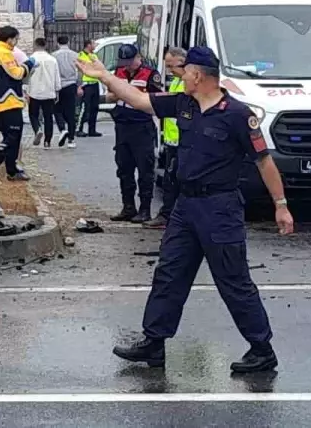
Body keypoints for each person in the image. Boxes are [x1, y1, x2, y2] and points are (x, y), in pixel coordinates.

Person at [77, 46, 294, 374]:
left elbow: (264, 161)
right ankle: (154, 342)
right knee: (169, 273)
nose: (181, 75)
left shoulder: (236, 114)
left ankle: (262, 348)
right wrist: (105, 76)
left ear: (199, 75)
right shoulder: (184, 103)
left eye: (185, 70)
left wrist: (281, 206)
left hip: (220, 207)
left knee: (233, 280)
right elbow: (139, 101)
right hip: (185, 206)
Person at [108, 44, 163, 223]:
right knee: (124, 168)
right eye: (124, 62)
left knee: (145, 169)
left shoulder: (150, 74)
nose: (127, 66)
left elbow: (157, 100)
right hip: (122, 125)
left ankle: (145, 209)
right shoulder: (119, 71)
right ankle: (128, 207)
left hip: (142, 126)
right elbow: (110, 95)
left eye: (130, 61)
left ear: (138, 57)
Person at [146, 48, 186, 230]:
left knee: (176, 182)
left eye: (171, 65)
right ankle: (169, 215)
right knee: (170, 181)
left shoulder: (188, 84)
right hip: (172, 140)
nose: (169, 70)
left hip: (183, 142)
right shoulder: (178, 81)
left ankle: (169, 215)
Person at [0, 26, 33, 182]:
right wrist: (29, 65)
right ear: (9, 39)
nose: (16, 43)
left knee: (12, 138)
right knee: (12, 137)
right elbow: (17, 73)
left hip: (1, 102)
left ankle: (12, 170)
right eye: (16, 39)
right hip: (8, 101)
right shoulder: (4, 53)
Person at [26, 38, 61, 149]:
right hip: (49, 91)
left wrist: (25, 90)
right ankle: (47, 141)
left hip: (34, 92)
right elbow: (57, 76)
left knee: (33, 114)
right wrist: (57, 89)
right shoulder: (52, 59)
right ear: (45, 46)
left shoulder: (31, 59)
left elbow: (26, 76)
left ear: (35, 45)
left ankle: (37, 129)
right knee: (48, 117)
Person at [52, 36, 80, 148]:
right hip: (72, 84)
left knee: (57, 109)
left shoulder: (54, 56)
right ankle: (71, 139)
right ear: (68, 42)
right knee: (71, 111)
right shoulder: (75, 55)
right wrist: (79, 85)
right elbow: (79, 71)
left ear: (57, 43)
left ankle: (62, 128)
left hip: (59, 85)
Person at [76, 40, 103, 138]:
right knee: (84, 108)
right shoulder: (81, 55)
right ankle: (79, 129)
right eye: (93, 44)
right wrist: (79, 86)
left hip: (95, 83)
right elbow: (79, 72)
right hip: (86, 85)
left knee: (94, 108)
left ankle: (92, 130)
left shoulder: (94, 56)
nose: (95, 45)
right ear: (88, 45)